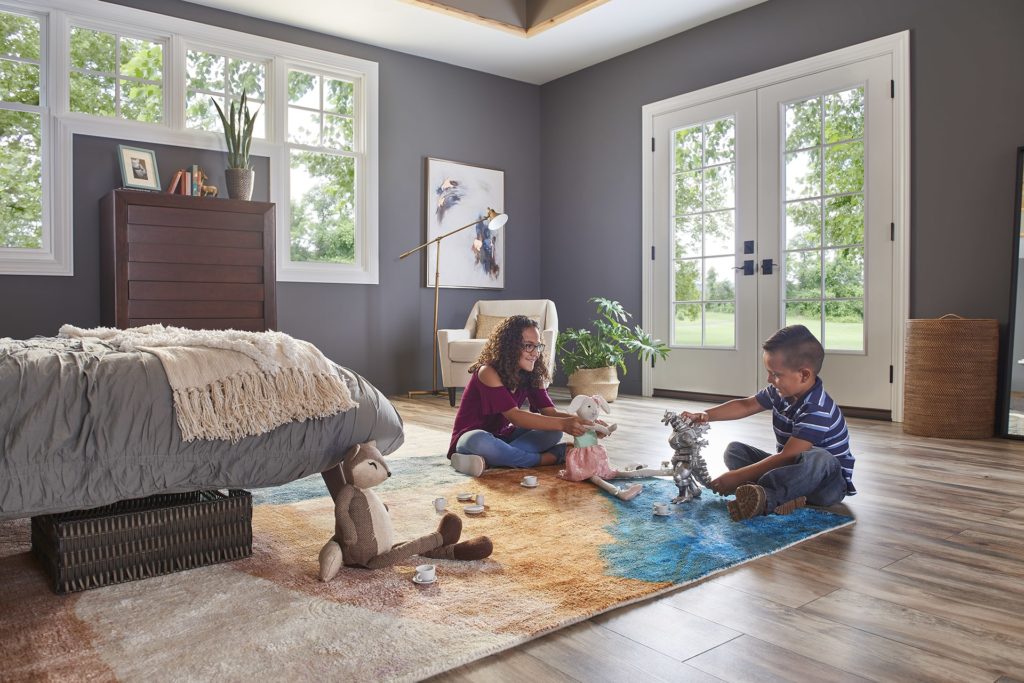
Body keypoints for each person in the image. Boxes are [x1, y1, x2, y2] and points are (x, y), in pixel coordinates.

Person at [682, 324, 855, 521]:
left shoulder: (818, 408)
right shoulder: (779, 392)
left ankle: (767, 498)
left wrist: (737, 476)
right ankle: (779, 495)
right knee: (735, 451)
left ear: (804, 374)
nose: (769, 379)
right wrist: (705, 415)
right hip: (788, 470)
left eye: (776, 374)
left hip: (825, 487)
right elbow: (746, 405)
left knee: (818, 458)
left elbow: (788, 456)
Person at [448, 314, 593, 477]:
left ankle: (489, 461)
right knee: (480, 441)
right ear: (509, 346)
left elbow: (550, 413)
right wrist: (564, 424)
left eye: (537, 346)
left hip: (504, 439)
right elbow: (515, 416)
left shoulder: (532, 374)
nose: (535, 353)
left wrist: (587, 424)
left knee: (554, 431)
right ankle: (548, 458)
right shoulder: (488, 372)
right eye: (528, 346)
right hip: (472, 438)